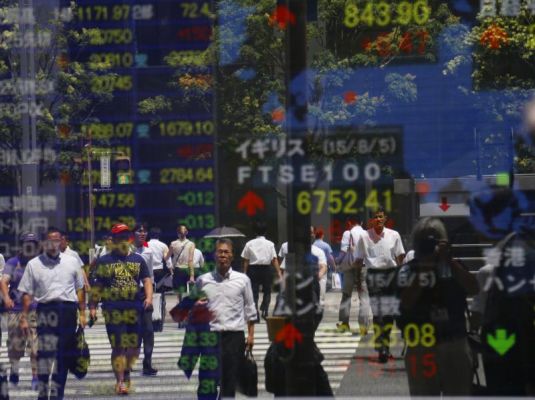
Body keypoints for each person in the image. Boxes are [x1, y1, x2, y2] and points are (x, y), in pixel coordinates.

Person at [398, 217, 478, 396]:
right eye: (426, 241)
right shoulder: (408, 270)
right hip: (421, 345)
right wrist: (427, 266)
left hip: (454, 342)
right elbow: (406, 302)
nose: (431, 246)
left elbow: (474, 287)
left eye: (435, 240)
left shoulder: (453, 266)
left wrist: (448, 260)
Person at [17, 228, 86, 400]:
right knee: (44, 355)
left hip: (68, 312)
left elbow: (80, 289)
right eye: (49, 240)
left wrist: (83, 313)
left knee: (63, 357)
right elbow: (26, 294)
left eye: (56, 240)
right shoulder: (34, 264)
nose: (53, 244)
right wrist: (24, 318)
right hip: (46, 311)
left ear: (62, 241)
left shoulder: (72, 261)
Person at [89, 223, 153, 395]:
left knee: (134, 347)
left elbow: (147, 280)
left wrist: (149, 297)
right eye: (119, 237)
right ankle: (120, 381)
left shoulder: (138, 259)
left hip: (135, 307)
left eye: (125, 236)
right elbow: (98, 286)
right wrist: (93, 307)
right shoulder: (104, 261)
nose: (123, 240)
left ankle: (126, 369)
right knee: (118, 346)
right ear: (114, 240)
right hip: (113, 308)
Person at [196, 238, 256, 398]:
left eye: (226, 252)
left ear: (232, 256)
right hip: (210, 336)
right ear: (214, 255)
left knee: (229, 383)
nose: (223, 255)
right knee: (206, 382)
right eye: (220, 252)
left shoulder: (243, 280)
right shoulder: (202, 280)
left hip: (234, 337)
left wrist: (250, 335)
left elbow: (250, 309)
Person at [355, 206, 405, 362]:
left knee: (389, 314)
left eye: (381, 216)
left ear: (385, 218)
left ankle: (385, 345)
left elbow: (400, 258)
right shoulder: (364, 236)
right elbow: (358, 260)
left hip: (391, 275)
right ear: (371, 220)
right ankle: (382, 347)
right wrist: (358, 280)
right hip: (374, 276)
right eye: (376, 217)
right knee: (378, 313)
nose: (378, 219)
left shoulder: (394, 235)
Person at [0, 232, 41, 390]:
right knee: (15, 346)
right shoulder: (13, 262)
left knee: (35, 346)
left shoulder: (41, 263)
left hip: (35, 310)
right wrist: (6, 298)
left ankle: (35, 377)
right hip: (16, 310)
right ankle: (14, 370)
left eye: (33, 244)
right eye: (27, 243)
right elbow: (4, 281)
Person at [336, 217, 372, 335]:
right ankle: (363, 327)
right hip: (363, 267)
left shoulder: (347, 233)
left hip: (349, 267)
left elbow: (343, 251)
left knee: (346, 295)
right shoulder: (367, 234)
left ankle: (344, 324)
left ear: (349, 222)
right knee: (364, 296)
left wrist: (337, 261)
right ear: (361, 222)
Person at [241, 220, 282, 320]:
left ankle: (255, 313)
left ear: (254, 231)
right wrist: (279, 272)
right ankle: (265, 309)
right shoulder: (270, 244)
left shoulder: (249, 244)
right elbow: (274, 259)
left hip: (253, 270)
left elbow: (246, 260)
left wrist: (244, 273)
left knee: (254, 292)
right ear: (265, 231)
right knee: (267, 291)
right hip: (266, 269)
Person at [132, 223, 158, 376]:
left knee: (148, 330)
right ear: (133, 234)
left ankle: (147, 363)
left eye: (144, 231)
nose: (142, 233)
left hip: (144, 292)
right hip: (131, 294)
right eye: (139, 231)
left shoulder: (148, 252)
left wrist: (150, 294)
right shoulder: (128, 251)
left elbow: (150, 276)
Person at [164, 225, 195, 296]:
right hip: (186, 270)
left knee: (177, 293)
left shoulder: (173, 244)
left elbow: (166, 258)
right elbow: (190, 260)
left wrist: (164, 253)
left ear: (177, 233)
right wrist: (192, 275)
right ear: (186, 232)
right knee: (187, 293)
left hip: (177, 270)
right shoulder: (191, 244)